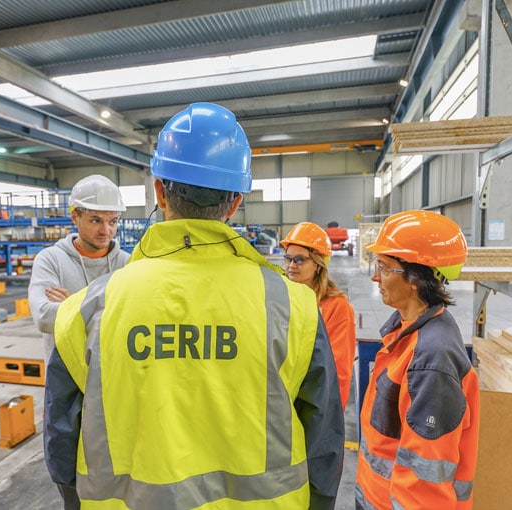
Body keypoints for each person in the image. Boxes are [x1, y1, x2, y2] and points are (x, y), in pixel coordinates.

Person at [44, 102, 345, 510]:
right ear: (236, 201)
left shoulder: (86, 311)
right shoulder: (295, 308)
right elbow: (324, 437)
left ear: (159, 191)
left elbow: (62, 438)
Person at [355, 210, 480, 510]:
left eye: (385, 268)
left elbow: (424, 484)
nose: (375, 276)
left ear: (415, 279)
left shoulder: (431, 360)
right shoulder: (406, 332)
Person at [28, 173, 130, 365]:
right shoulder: (51, 260)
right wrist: (108, 310)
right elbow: (45, 318)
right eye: (95, 220)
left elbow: (134, 320)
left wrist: (72, 303)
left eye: (113, 222)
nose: (106, 231)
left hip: (114, 372)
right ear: (75, 217)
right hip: (66, 378)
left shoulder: (126, 264)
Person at [280, 222, 356, 410]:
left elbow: (339, 370)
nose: (291, 265)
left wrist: (328, 413)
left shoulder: (336, 306)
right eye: (288, 259)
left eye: (299, 260)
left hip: (314, 403)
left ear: (318, 264)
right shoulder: (282, 298)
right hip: (283, 398)